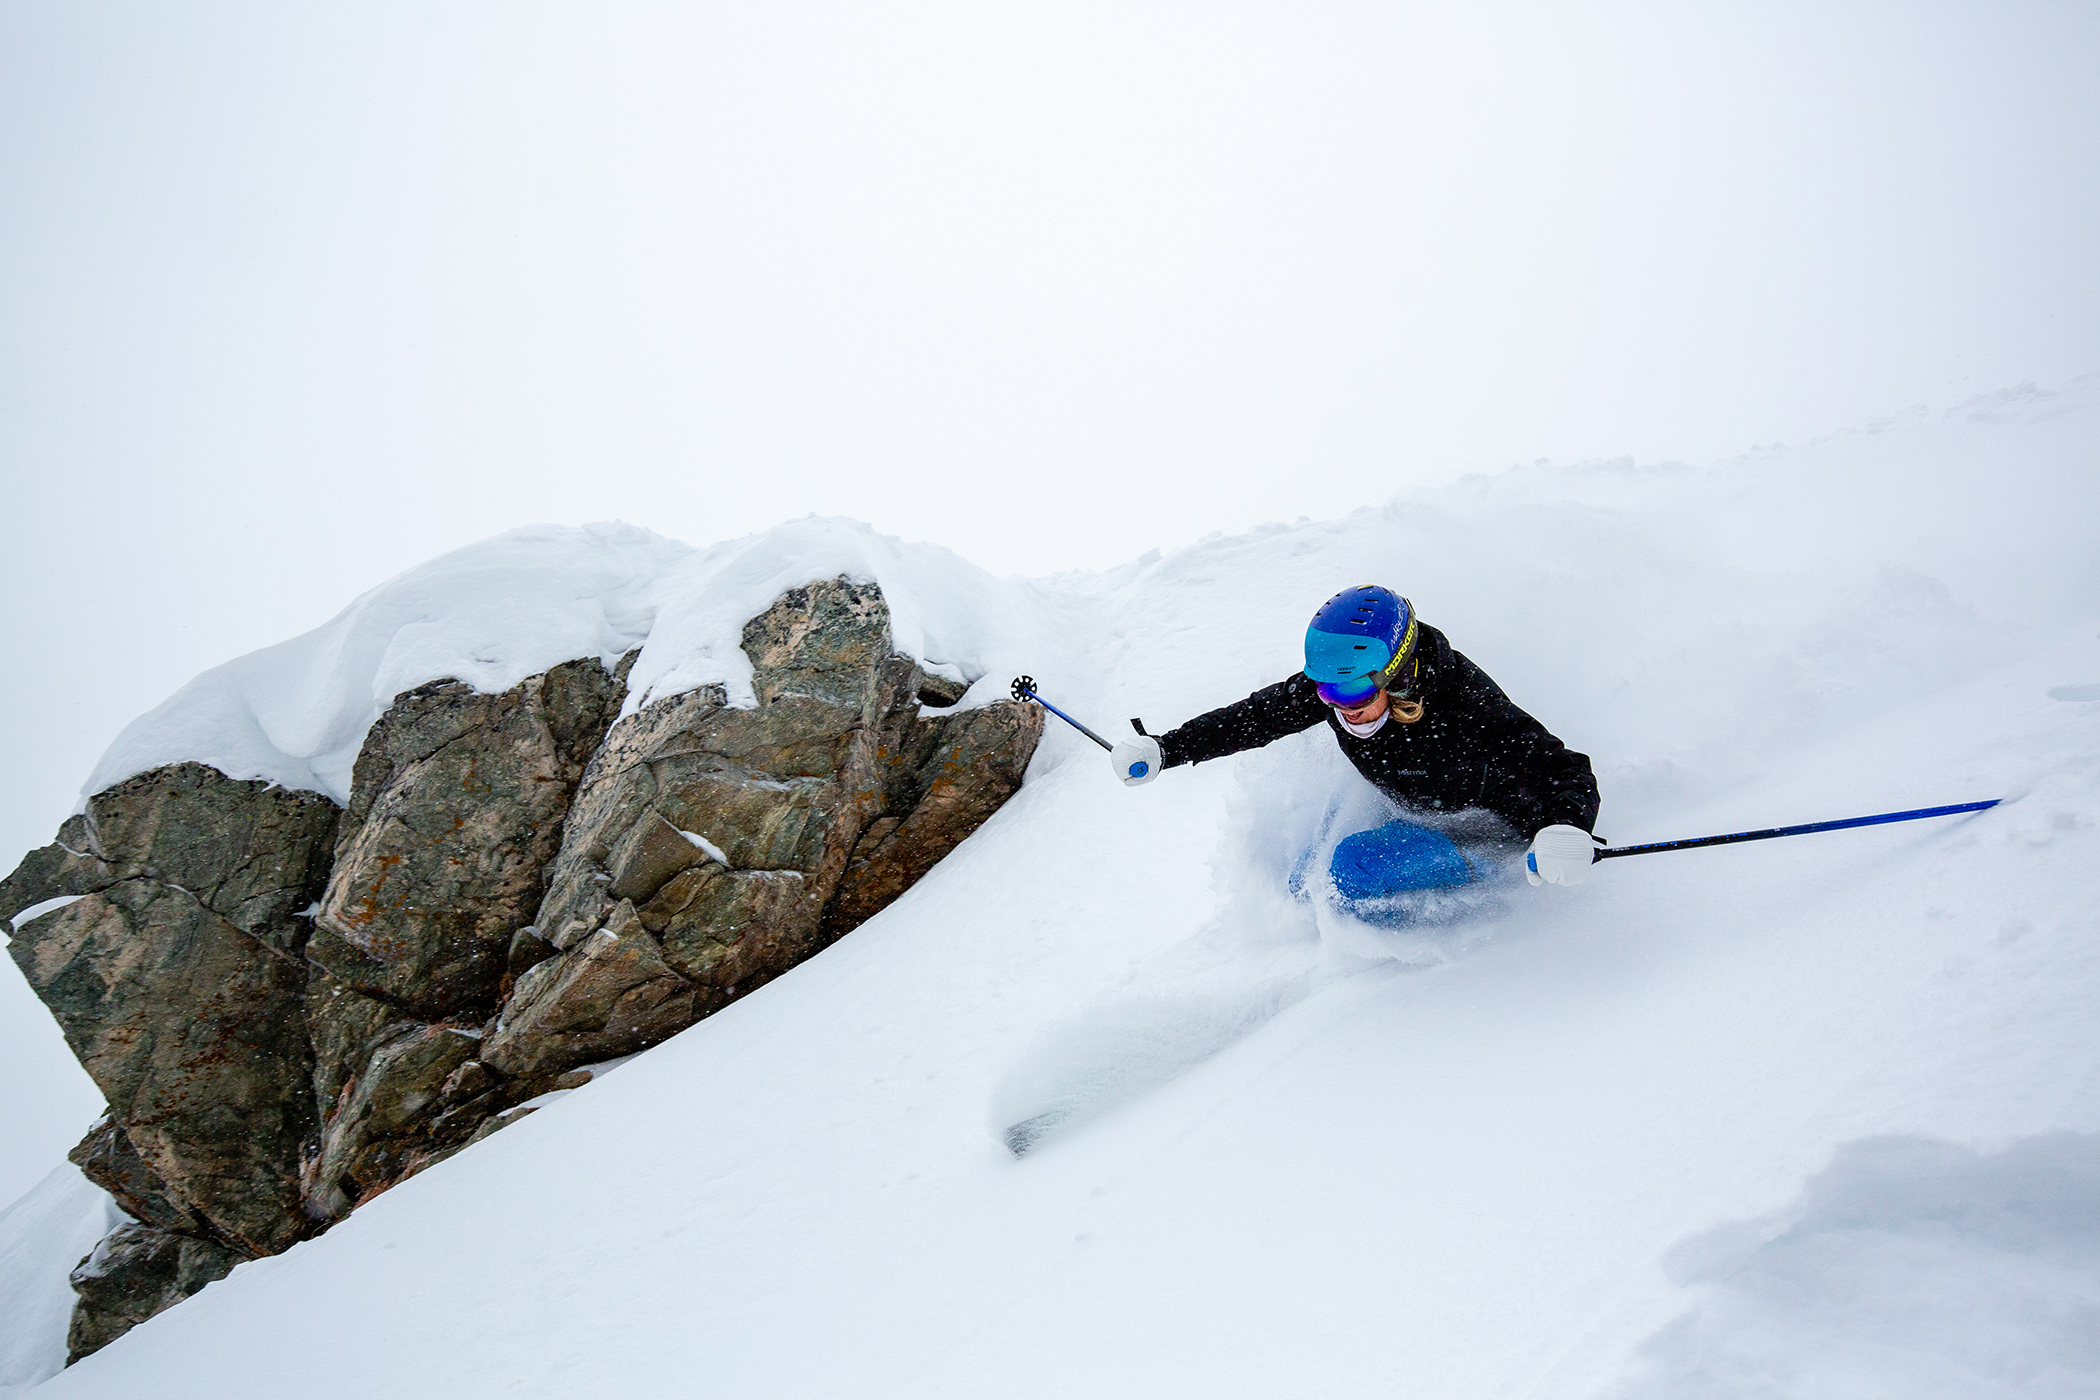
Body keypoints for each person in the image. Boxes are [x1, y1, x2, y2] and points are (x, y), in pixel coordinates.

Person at [1110, 585, 1600, 894]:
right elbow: (1253, 718)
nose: (1342, 704)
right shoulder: (1337, 690)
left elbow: (1563, 766)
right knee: (1304, 882)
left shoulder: (1462, 700)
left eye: (1354, 688)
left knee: (1349, 874)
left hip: (1493, 833)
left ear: (1395, 669)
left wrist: (1567, 828)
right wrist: (1167, 748)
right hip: (1415, 805)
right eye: (1325, 689)